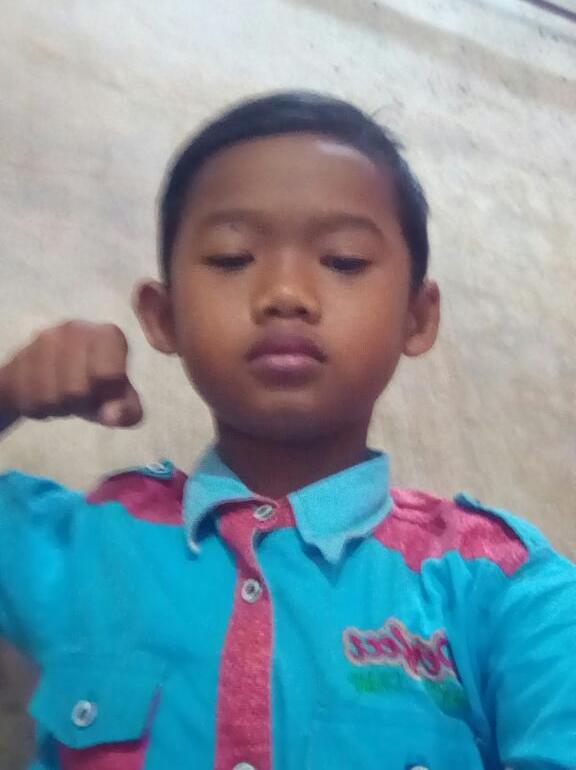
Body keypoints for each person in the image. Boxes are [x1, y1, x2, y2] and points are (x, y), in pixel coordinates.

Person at [0, 92, 574, 770]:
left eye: (344, 260)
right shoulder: (89, 541)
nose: (284, 294)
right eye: (231, 258)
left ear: (417, 318)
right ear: (164, 317)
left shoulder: (498, 584)